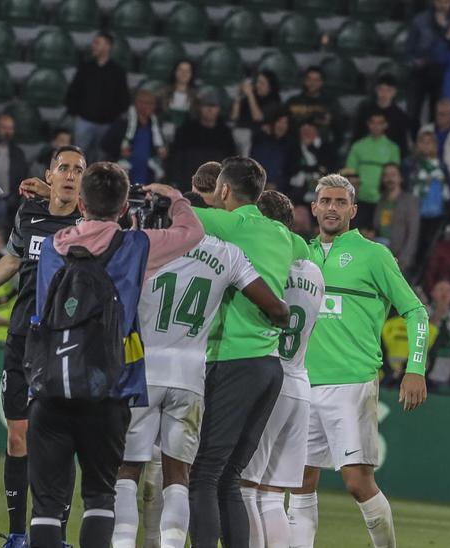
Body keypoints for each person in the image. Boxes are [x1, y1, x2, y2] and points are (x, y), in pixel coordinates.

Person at [27, 165, 205, 548]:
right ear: (125, 206)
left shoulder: (54, 244)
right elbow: (193, 234)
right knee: (100, 494)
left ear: (82, 202)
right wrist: (174, 197)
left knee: (46, 504)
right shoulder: (135, 245)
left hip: (50, 382)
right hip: (110, 387)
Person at [112, 190, 286, 548]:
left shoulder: (140, 245)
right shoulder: (228, 254)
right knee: (179, 475)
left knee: (127, 470)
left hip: (140, 371)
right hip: (191, 377)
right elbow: (278, 309)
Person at [289, 174, 429, 548]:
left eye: (339, 202)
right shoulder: (301, 253)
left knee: (357, 482)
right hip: (302, 382)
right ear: (314, 207)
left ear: (353, 209)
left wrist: (415, 368)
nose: (331, 208)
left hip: (351, 382)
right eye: (325, 201)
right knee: (299, 482)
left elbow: (416, 311)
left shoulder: (374, 254)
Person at [0, 146, 86, 548]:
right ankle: (17, 534)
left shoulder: (91, 224)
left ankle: (57, 535)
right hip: (22, 338)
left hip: (65, 343)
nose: (69, 174)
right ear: (50, 174)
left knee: (62, 442)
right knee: (18, 438)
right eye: (62, 167)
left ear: (83, 180)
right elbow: (12, 260)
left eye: (77, 170)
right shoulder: (29, 214)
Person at [188, 157, 304, 547]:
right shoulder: (285, 236)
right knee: (229, 478)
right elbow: (309, 252)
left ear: (223, 191)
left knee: (203, 473)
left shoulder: (230, 223)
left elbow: (177, 212)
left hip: (233, 362)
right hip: (270, 369)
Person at [238, 191, 323, 548]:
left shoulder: (269, 265)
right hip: (300, 383)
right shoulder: (315, 271)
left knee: (244, 488)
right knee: (273, 496)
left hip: (268, 381)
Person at [66, 32, 131, 159]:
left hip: (107, 125)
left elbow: (123, 99)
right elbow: (74, 91)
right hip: (84, 121)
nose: (93, 46)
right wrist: (75, 111)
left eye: (97, 43)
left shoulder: (118, 72)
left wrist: (112, 117)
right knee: (78, 158)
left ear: (108, 46)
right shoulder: (85, 68)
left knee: (101, 161)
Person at [406, 0, 450, 122]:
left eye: (446, 2)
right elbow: (409, 47)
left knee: (436, 113)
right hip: (420, 70)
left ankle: (432, 140)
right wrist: (413, 61)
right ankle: (415, 138)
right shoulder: (420, 19)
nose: (442, 5)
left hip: (443, 72)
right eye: (440, 1)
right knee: (412, 112)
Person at [166, 93, 236, 190]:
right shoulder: (186, 130)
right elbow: (176, 158)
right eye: (206, 105)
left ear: (219, 109)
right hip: (188, 184)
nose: (209, 109)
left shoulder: (225, 133)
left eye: (213, 106)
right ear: (199, 108)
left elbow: (231, 162)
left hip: (216, 186)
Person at [346, 109, 401, 224]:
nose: (376, 126)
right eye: (373, 122)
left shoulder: (392, 148)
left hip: (383, 200)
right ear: (368, 124)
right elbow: (350, 173)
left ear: (385, 125)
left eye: (380, 123)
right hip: (360, 199)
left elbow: (394, 176)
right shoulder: (358, 146)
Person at [102, 90, 168, 185]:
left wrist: (163, 151)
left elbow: (162, 146)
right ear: (136, 103)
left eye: (151, 103)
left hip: (148, 174)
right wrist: (120, 151)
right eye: (145, 102)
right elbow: (105, 144)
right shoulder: (124, 121)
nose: (149, 106)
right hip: (124, 173)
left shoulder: (156, 124)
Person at [405, 129, 450, 257]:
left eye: (430, 142)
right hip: (416, 211)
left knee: (433, 247)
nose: (426, 145)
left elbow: (448, 188)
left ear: (435, 145)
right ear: (417, 144)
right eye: (423, 142)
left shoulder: (441, 166)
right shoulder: (410, 164)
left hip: (437, 213)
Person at [373, 163, 419, 272]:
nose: (389, 179)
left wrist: (404, 260)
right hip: (379, 255)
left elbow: (413, 233)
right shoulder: (381, 200)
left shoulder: (410, 201)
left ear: (401, 178)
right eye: (386, 175)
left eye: (393, 175)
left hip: (398, 257)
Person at [353, 75, 413, 157]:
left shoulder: (400, 116)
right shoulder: (365, 111)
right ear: (376, 90)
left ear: (394, 92)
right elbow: (357, 136)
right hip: (366, 153)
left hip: (389, 156)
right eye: (381, 89)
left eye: (389, 90)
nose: (384, 94)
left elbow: (402, 144)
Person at [285, 67, 344, 144]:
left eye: (316, 80)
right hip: (296, 146)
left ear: (321, 82)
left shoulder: (331, 103)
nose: (312, 83)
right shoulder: (293, 102)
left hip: (322, 148)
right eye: (309, 79)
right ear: (305, 81)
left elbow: (339, 131)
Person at [284, 120, 336, 204]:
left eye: (309, 130)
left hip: (322, 192)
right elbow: (290, 169)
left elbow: (329, 169)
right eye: (303, 131)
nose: (306, 133)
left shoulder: (326, 148)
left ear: (316, 132)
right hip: (298, 193)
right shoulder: (294, 149)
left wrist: (311, 148)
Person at [156, 60, 201, 138]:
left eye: (187, 71)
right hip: (163, 134)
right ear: (175, 72)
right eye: (180, 70)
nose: (184, 74)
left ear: (191, 74)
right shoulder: (162, 92)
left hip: (187, 136)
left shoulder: (197, 96)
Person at [251, 111, 294, 192]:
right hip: (258, 185)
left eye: (285, 123)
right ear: (273, 123)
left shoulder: (290, 146)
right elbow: (254, 165)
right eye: (279, 121)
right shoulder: (262, 140)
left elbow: (289, 172)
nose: (281, 125)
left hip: (280, 189)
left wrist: (276, 184)